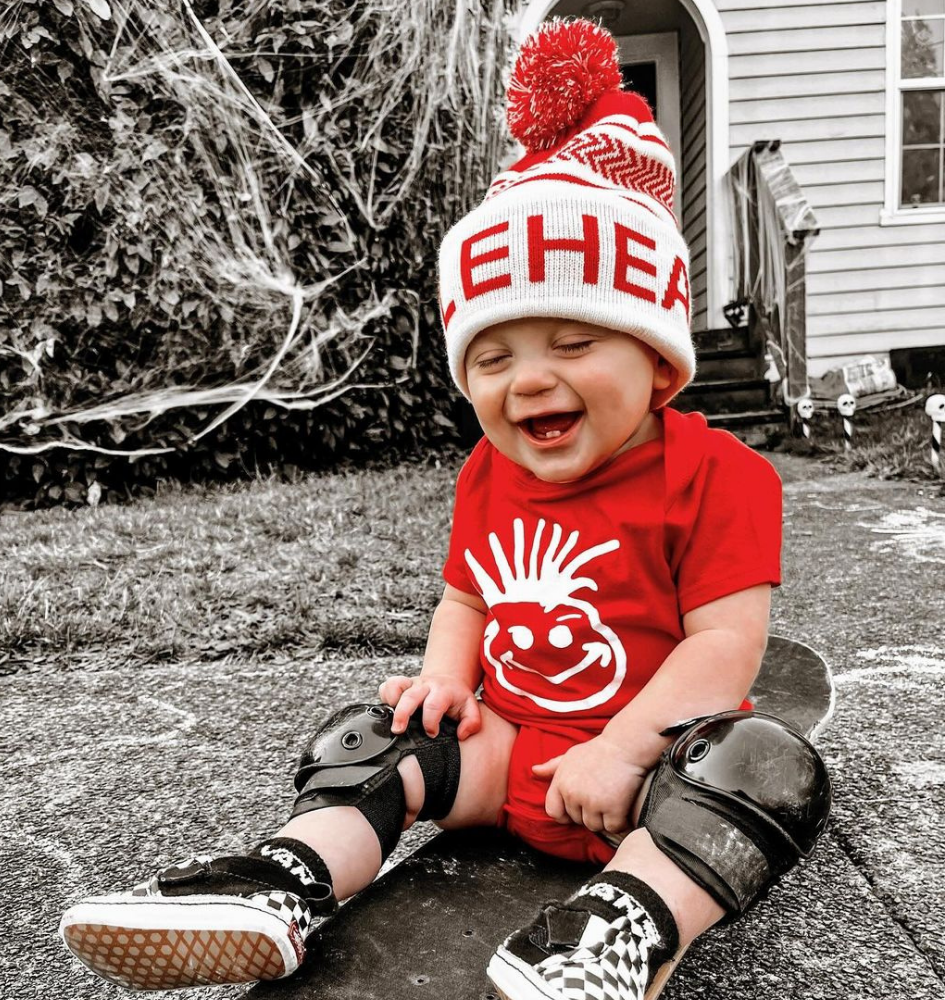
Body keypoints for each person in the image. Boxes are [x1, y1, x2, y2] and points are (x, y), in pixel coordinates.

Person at [59, 18, 830, 1000]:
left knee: (765, 768)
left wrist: (622, 749)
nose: (529, 381)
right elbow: (466, 599)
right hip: (508, 753)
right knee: (370, 732)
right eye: (495, 358)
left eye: (572, 342)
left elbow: (723, 647)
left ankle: (620, 929)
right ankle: (284, 883)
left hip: (644, 781)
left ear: (658, 357)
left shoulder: (718, 473)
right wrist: (442, 685)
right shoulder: (485, 474)